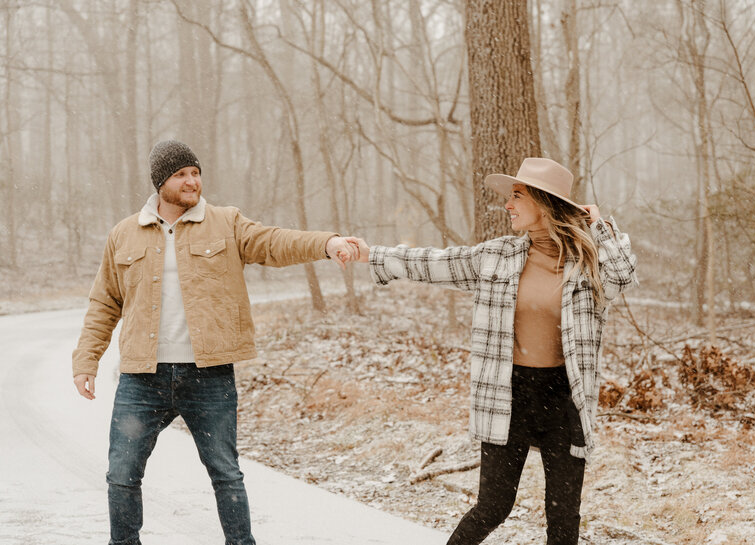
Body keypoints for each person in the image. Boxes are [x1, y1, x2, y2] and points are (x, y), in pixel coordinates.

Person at [72, 140, 359, 545]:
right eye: (181, 174)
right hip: (142, 378)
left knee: (226, 474)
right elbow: (105, 302)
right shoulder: (125, 234)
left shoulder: (226, 222)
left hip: (209, 376)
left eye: (195, 172)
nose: (192, 181)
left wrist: (327, 244)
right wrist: (86, 361)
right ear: (160, 182)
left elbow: (275, 242)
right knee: (121, 475)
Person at [351, 158, 637, 545]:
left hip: (565, 400)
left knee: (563, 519)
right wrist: (373, 255)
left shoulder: (587, 264)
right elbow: (435, 262)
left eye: (517, 196)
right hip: (508, 395)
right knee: (493, 507)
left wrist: (598, 226)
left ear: (543, 202)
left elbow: (624, 275)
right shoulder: (497, 256)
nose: (508, 204)